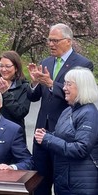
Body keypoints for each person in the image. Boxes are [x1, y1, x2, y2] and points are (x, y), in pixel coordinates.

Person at [27, 23, 93, 195]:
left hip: (64, 134)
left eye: (55, 40)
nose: (51, 44)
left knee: (61, 181)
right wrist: (34, 82)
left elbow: (79, 97)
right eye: (49, 40)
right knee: (39, 180)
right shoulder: (46, 62)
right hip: (42, 130)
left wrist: (51, 84)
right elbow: (33, 97)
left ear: (68, 41)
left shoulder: (83, 64)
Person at [34, 67, 98, 195]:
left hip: (80, 185)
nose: (64, 88)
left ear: (82, 87)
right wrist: (46, 134)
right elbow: (63, 136)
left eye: (69, 84)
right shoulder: (68, 110)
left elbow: (81, 149)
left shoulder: (89, 113)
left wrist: (48, 139)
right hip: (65, 181)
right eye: (64, 84)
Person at [0, 51, 30, 143]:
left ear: (16, 68)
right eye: (1, 66)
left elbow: (20, 112)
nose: (3, 69)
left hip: (14, 134)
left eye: (7, 66)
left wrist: (5, 93)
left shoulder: (24, 86)